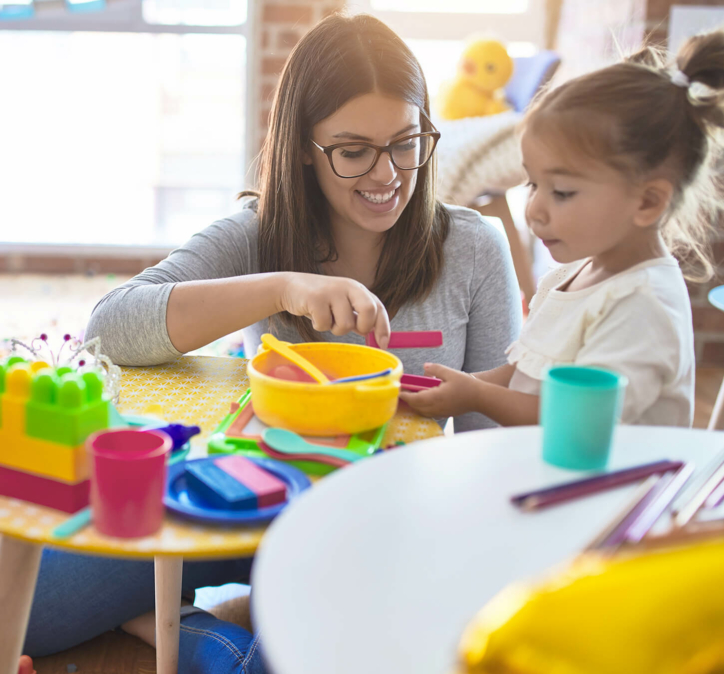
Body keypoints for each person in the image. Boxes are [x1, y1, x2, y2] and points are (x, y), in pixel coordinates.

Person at [23, 12, 521, 673]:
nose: (387, 174)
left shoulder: (473, 248)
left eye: (405, 141)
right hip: (253, 502)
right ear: (301, 150)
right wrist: (278, 288)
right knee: (29, 605)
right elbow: (108, 329)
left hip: (392, 528)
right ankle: (192, 624)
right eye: (353, 151)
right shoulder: (257, 233)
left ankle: (185, 631)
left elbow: (497, 448)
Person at [402, 28, 724, 428]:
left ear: (647, 201)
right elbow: (530, 373)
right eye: (532, 185)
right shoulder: (574, 275)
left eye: (562, 192)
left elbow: (574, 419)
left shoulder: (643, 305)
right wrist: (464, 384)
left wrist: (476, 396)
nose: (534, 210)